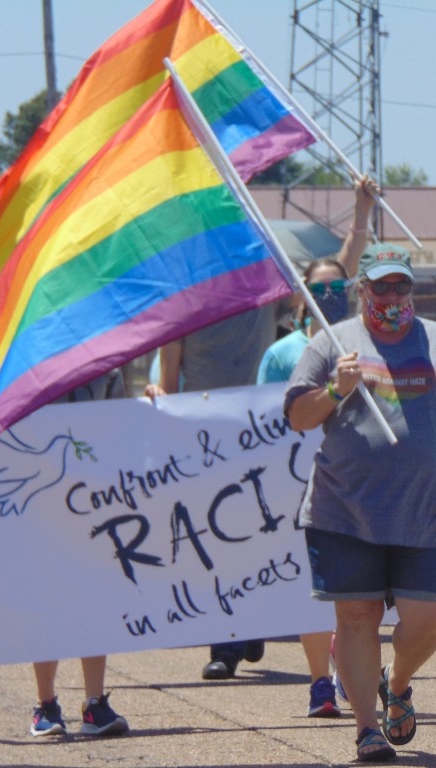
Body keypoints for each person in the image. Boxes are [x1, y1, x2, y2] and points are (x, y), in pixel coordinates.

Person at [146, 176, 380, 682]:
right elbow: (168, 375)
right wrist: (164, 402)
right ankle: (228, 642)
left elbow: (335, 278)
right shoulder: (184, 303)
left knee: (271, 534)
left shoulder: (261, 289)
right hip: (213, 435)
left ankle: (255, 628)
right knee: (223, 533)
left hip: (269, 435)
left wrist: (360, 211)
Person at [285, 242, 436, 762]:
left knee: (428, 620)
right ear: (362, 288)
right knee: (356, 617)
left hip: (423, 512)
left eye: (401, 285)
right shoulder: (332, 342)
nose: (392, 294)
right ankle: (367, 730)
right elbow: (298, 417)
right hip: (343, 511)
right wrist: (336, 388)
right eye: (381, 285)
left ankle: (397, 682)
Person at [258, 257, 353, 718]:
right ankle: (321, 682)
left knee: (358, 589)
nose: (330, 294)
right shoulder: (281, 354)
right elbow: (258, 418)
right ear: (302, 294)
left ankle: (352, 667)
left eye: (340, 285)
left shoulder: (371, 345)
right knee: (310, 585)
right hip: (295, 487)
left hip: (357, 483)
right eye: (321, 287)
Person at [29, 370, 130, 739]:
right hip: (41, 498)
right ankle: (46, 703)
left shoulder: (108, 370)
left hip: (94, 501)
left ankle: (94, 704)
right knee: (47, 597)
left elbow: (121, 425)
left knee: (94, 596)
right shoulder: (30, 364)